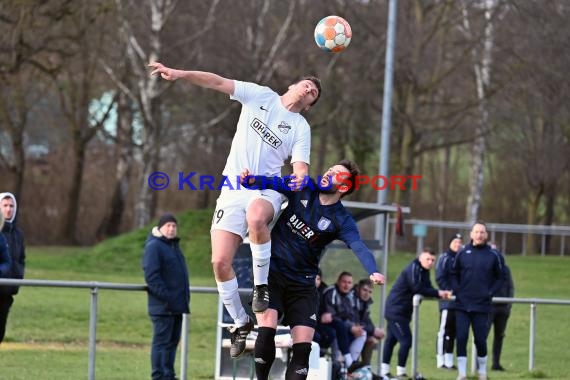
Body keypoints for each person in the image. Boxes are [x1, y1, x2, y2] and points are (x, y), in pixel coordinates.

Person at [149, 62, 322, 358]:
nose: (308, 91)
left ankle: (260, 288)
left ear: (307, 106)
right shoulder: (260, 95)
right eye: (307, 85)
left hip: (266, 189)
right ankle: (241, 323)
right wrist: (179, 74)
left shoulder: (299, 127)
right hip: (232, 189)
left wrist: (298, 177)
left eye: (313, 94)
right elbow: (216, 81)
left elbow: (301, 170)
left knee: (256, 216)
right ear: (293, 85)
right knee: (219, 262)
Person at [241, 159, 385, 380]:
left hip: (303, 285)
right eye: (330, 168)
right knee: (266, 331)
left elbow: (358, 245)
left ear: (344, 187)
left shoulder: (342, 220)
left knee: (302, 349)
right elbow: (273, 183)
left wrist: (373, 270)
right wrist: (251, 180)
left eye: (336, 173)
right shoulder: (304, 187)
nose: (328, 172)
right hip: (273, 275)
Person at [381, 248, 452, 380]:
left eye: (432, 260)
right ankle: (401, 372)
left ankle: (384, 371)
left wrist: (437, 292)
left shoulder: (424, 271)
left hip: (404, 311)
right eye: (428, 259)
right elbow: (416, 287)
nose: (430, 262)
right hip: (396, 310)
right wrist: (438, 293)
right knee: (406, 340)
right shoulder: (414, 268)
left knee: (391, 340)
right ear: (420, 257)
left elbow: (428, 287)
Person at [450, 222, 506, 380]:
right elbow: (453, 273)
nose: (479, 235)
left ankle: (482, 372)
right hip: (462, 304)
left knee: (480, 340)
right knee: (461, 338)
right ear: (471, 234)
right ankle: (462, 374)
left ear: (486, 235)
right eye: (476, 232)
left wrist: (490, 292)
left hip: (482, 305)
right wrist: (457, 289)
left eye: (482, 232)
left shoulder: (494, 255)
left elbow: (501, 277)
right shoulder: (462, 252)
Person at [142, 213, 190, 380]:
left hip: (176, 306)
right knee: (161, 343)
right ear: (160, 228)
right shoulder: (154, 246)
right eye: (168, 226)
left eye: (174, 226)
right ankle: (159, 376)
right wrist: (167, 298)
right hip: (163, 307)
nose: (171, 229)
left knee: (172, 343)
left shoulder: (173, 246)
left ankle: (169, 375)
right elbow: (152, 277)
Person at [0, 192, 25, 344]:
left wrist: (17, 279)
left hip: (7, 292)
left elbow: (20, 259)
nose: (8, 209)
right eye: (5, 206)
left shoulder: (18, 234)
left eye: (11, 206)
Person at [435, 233, 463, 370]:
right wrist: (448, 291)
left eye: (459, 242)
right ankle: (440, 360)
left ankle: (449, 361)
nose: (458, 244)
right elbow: (440, 277)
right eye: (455, 241)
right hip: (447, 301)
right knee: (444, 330)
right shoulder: (445, 258)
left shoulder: (462, 259)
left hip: (459, 302)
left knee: (454, 332)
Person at [488, 243, 514, 371]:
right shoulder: (485, 270)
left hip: (502, 308)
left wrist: (508, 306)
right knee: (482, 336)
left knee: (499, 336)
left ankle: (496, 363)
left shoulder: (505, 269)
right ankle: (476, 364)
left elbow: (510, 287)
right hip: (488, 308)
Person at [353, 278, 385, 380]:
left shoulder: (364, 302)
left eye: (370, 292)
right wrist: (373, 331)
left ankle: (366, 370)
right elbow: (356, 320)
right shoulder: (353, 299)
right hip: (349, 331)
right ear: (358, 289)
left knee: (371, 340)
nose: (367, 294)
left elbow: (366, 320)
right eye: (365, 290)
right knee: (366, 337)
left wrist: (374, 331)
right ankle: (357, 369)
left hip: (358, 332)